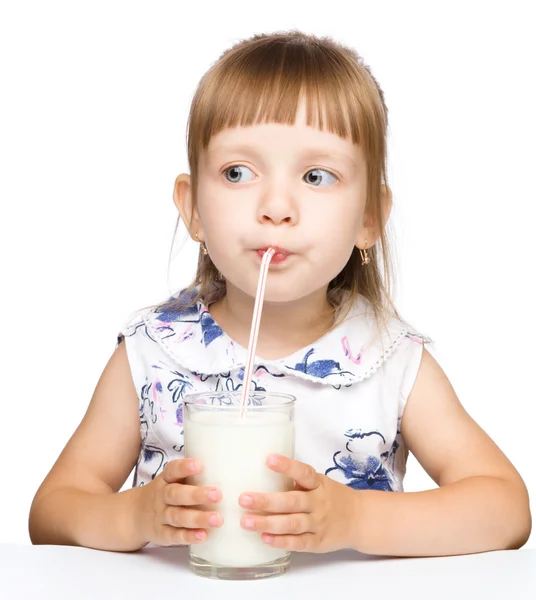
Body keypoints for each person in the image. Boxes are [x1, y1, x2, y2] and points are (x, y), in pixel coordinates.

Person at [29, 30, 531, 557]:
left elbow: (505, 509)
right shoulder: (153, 353)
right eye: (237, 172)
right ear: (193, 208)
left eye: (317, 175)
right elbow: (53, 510)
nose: (276, 205)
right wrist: (133, 514)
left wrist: (356, 518)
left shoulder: (390, 362)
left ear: (369, 218)